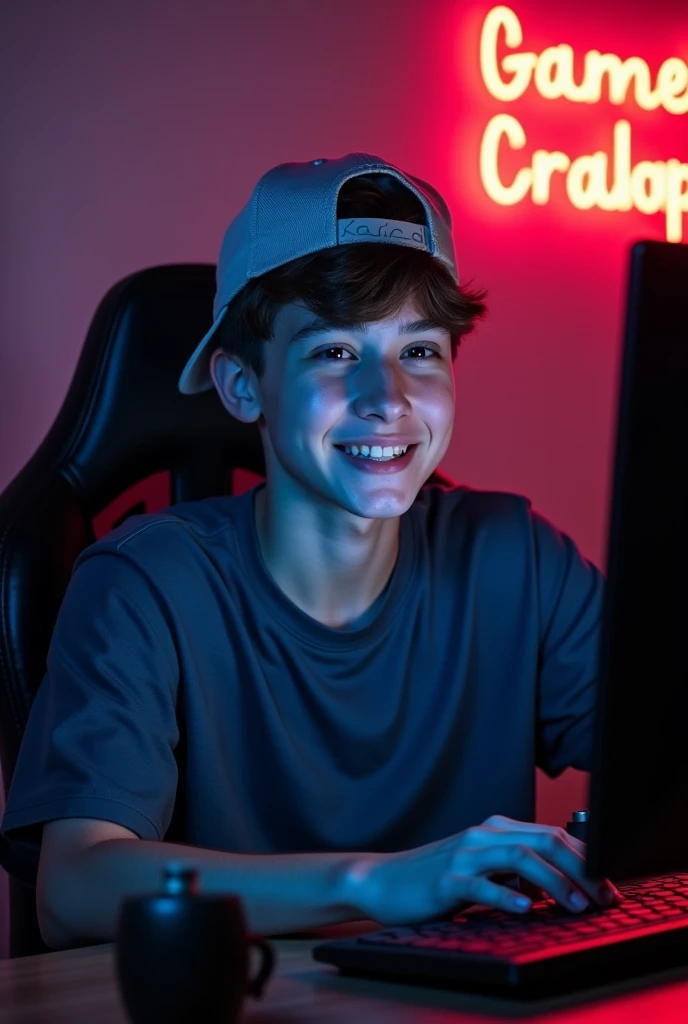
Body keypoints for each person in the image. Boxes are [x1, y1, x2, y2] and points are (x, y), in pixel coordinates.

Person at [0, 153, 621, 951]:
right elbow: (77, 888)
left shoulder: (517, 557)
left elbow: (662, 756)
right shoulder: (142, 586)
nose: (387, 397)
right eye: (334, 352)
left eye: (419, 351)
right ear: (243, 386)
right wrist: (379, 882)